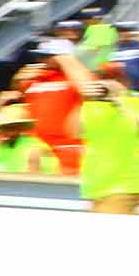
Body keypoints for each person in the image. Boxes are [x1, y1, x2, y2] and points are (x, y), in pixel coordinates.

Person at [55, 51, 139, 213]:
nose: (109, 81)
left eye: (117, 76)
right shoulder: (96, 103)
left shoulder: (133, 102)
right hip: (98, 187)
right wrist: (84, 99)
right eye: (107, 75)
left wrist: (119, 99)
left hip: (126, 187)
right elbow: (73, 131)